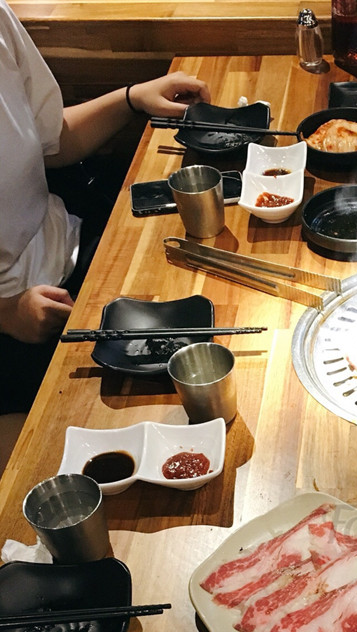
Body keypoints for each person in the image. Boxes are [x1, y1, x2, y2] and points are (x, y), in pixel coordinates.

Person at [0, 0, 211, 415]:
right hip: (22, 324)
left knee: (205, 316)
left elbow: (53, 140)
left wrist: (132, 98)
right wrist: (6, 313)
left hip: (75, 243)